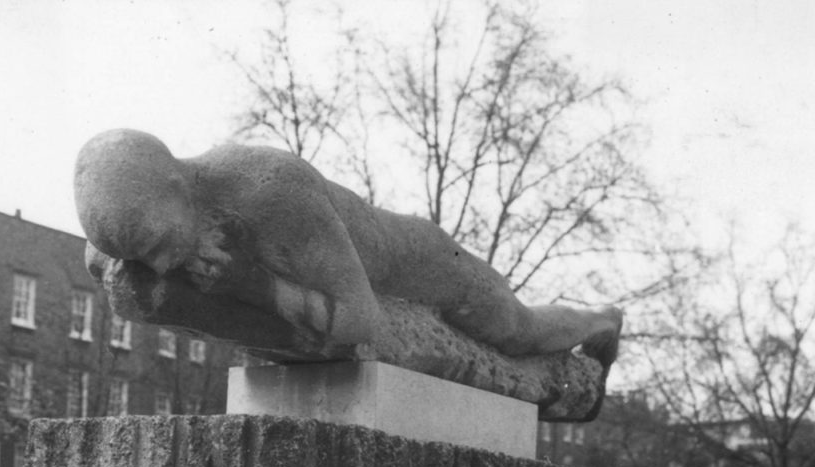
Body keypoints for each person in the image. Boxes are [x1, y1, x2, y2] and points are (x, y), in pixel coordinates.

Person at [75, 129, 621, 366]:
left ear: (176, 186)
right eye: (139, 259)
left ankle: (599, 320)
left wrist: (252, 285)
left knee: (516, 330)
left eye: (157, 245)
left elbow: (361, 320)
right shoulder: (150, 219)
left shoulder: (269, 192)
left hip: (426, 267)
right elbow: (107, 257)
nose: (161, 266)